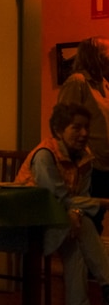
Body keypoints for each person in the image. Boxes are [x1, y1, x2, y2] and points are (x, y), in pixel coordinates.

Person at [14, 102, 109, 305]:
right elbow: (58, 196)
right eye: (76, 128)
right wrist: (101, 204)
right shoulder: (45, 156)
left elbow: (77, 199)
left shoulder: (85, 158)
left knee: (77, 239)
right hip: (31, 223)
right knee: (81, 227)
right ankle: (105, 285)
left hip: (62, 220)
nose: (84, 133)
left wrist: (76, 214)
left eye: (86, 127)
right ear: (58, 130)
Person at [57, 36, 109, 234]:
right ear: (96, 56)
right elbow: (63, 123)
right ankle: (85, 263)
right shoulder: (77, 82)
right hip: (91, 166)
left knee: (98, 218)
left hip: (106, 165)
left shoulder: (103, 83)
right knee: (90, 219)